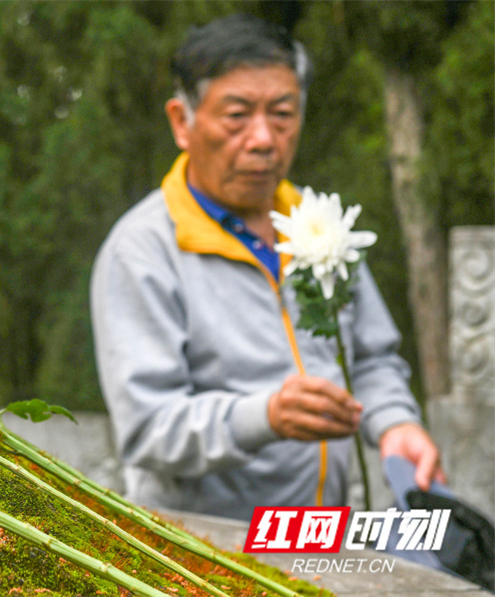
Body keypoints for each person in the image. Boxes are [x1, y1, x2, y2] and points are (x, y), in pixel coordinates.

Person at [89, 13, 444, 521]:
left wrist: (395, 424)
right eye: (236, 115)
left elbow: (369, 359)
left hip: (320, 534)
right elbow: (148, 427)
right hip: (203, 549)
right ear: (181, 122)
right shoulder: (143, 250)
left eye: (282, 113)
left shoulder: (320, 228)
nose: (262, 139)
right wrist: (266, 416)